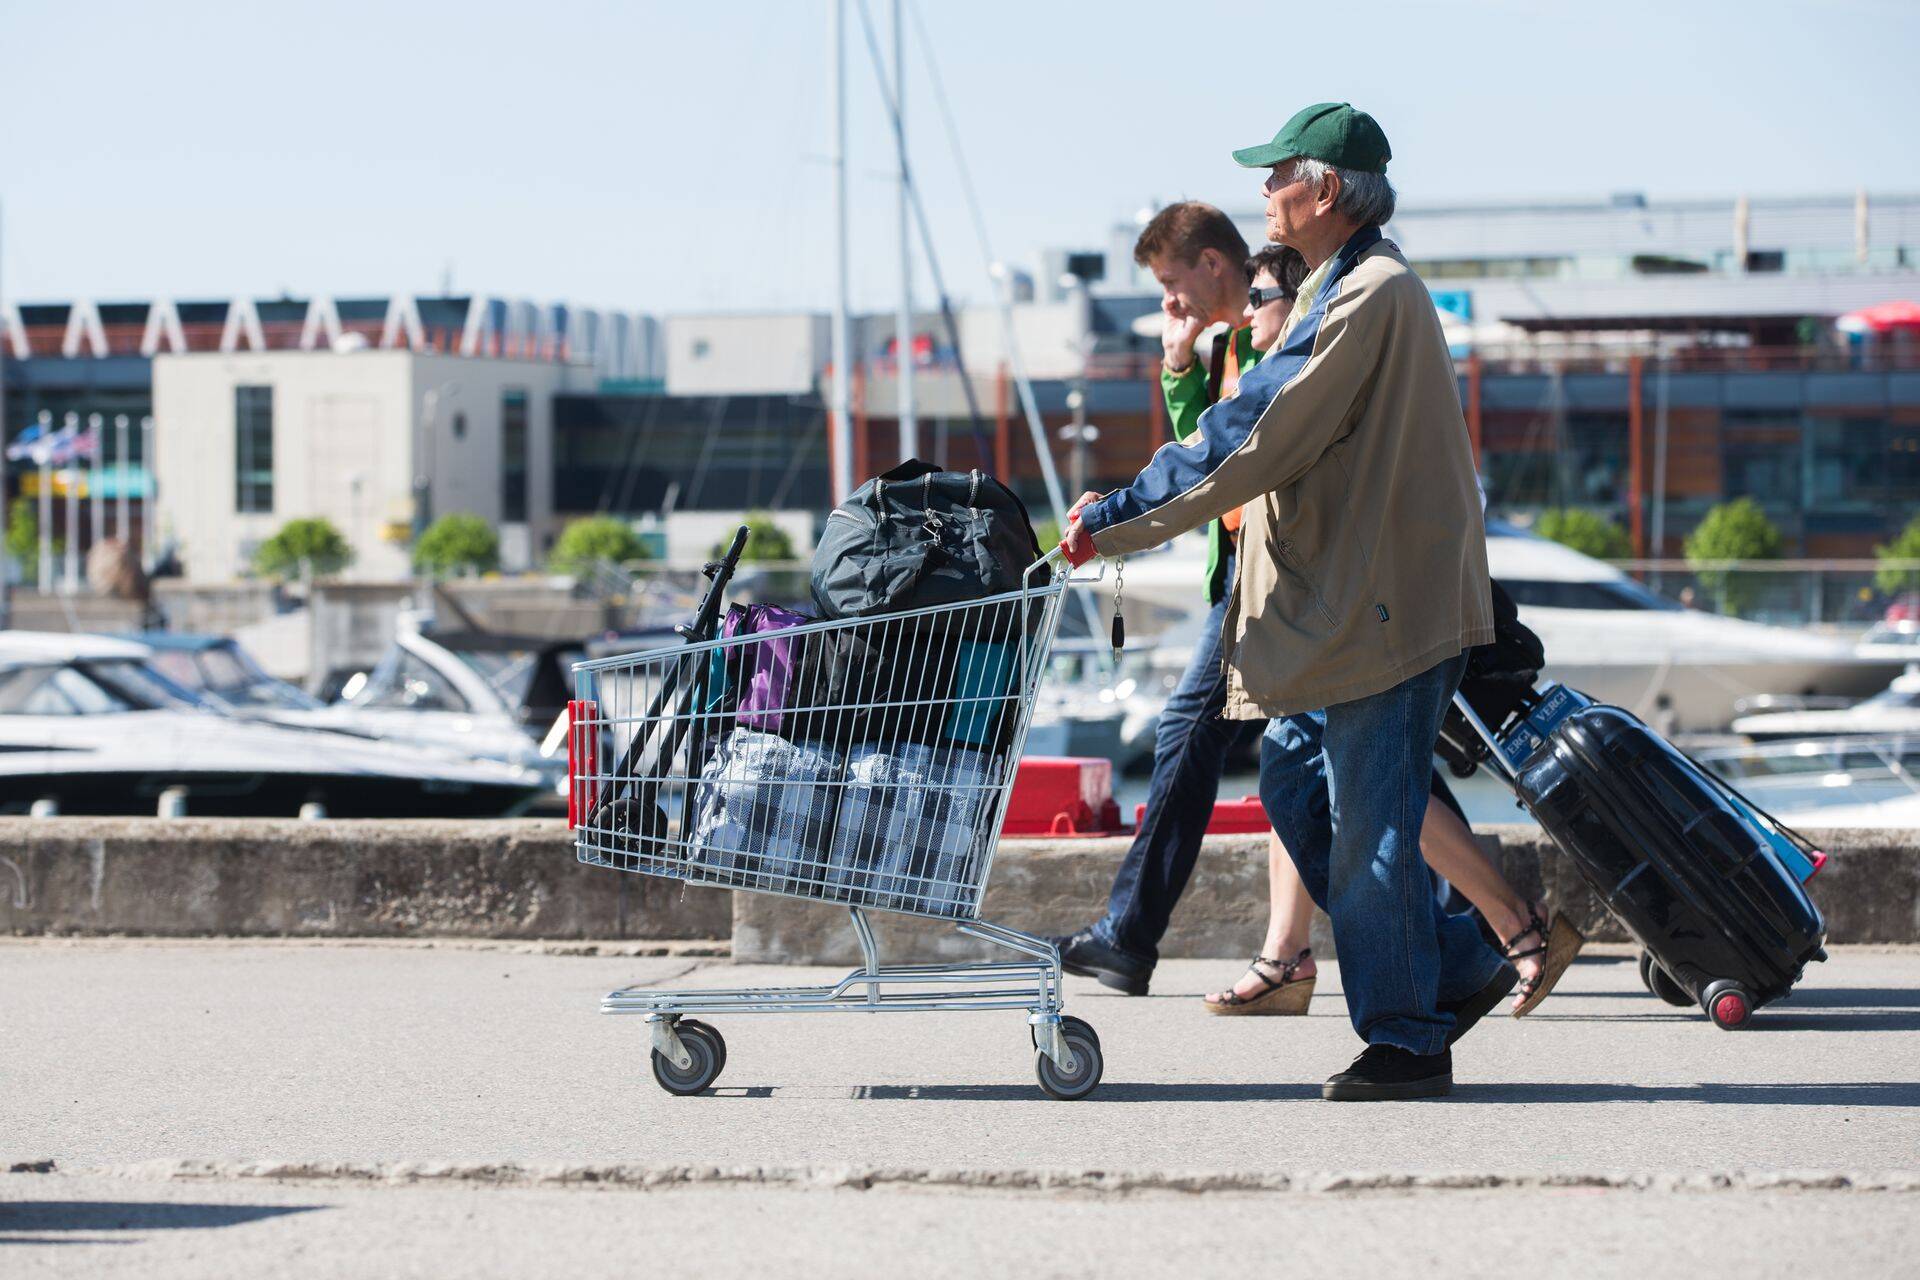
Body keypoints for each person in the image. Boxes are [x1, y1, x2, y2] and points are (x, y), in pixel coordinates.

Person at [1063, 103, 1516, 1100]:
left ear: (1322, 190)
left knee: (1375, 825)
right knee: (1293, 779)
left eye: (1276, 175)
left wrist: (1122, 515)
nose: (1261, 192)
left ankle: (1405, 1036)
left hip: (1381, 613)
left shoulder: (1365, 294)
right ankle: (1455, 961)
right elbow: (1247, 427)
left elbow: (1255, 432)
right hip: (1353, 610)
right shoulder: (1339, 286)